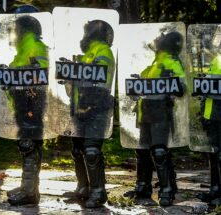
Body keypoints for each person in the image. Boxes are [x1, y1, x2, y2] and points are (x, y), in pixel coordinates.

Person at [126, 31, 185, 206]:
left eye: (161, 38)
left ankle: (166, 190)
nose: (157, 40)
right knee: (142, 150)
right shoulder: (155, 63)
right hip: (146, 113)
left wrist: (173, 81)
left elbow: (181, 87)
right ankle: (143, 186)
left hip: (161, 114)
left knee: (159, 152)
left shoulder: (172, 62)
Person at [66, 20, 115, 208]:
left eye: (86, 31)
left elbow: (99, 80)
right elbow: (78, 85)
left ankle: (98, 191)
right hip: (81, 108)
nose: (84, 35)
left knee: (92, 151)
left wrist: (77, 71)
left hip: (97, 108)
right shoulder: (87, 55)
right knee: (78, 150)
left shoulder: (103, 52)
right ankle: (83, 187)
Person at [6, 7, 48, 206]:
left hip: (32, 104)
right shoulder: (25, 48)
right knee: (27, 144)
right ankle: (29, 186)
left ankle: (30, 191)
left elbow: (39, 75)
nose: (15, 32)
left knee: (29, 144)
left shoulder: (35, 46)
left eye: (17, 28)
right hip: (25, 103)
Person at [197, 45, 221, 205]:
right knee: (214, 154)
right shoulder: (217, 60)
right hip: (212, 115)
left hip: (218, 115)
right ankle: (215, 190)